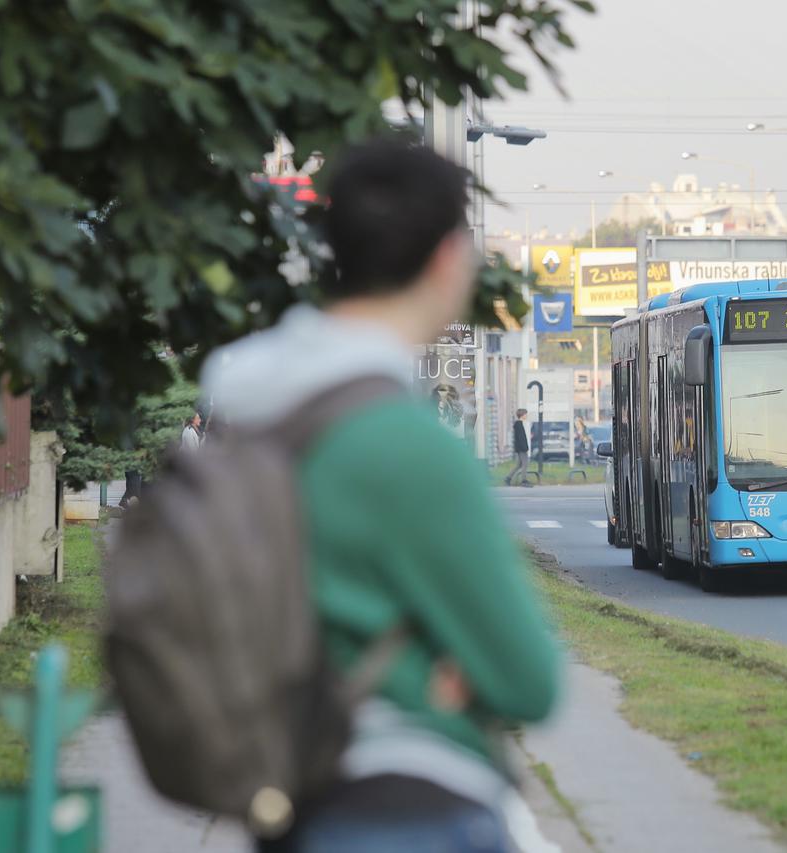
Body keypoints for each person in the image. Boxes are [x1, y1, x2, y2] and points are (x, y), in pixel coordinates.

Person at [202, 139, 559, 851]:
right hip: (414, 805)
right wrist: (447, 668)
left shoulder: (248, 411)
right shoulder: (408, 445)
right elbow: (529, 682)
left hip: (286, 793)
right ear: (449, 259)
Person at [505, 409, 531, 487]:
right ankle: (524, 480)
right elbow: (521, 438)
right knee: (525, 464)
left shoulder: (519, 424)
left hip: (520, 448)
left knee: (519, 465)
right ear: (522, 415)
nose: (526, 416)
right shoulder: (519, 424)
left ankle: (508, 478)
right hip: (522, 448)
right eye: (526, 414)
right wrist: (525, 448)